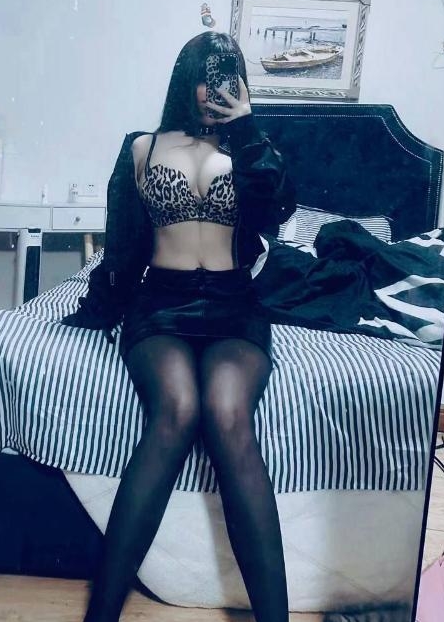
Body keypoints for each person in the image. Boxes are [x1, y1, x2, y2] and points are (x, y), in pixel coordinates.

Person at [63, 31, 296, 622]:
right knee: (177, 409)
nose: (215, 89)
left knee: (227, 412)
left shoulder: (255, 149)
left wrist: (249, 131)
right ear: (185, 78)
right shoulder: (141, 147)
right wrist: (103, 302)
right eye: (206, 76)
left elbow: (279, 213)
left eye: (227, 76)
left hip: (234, 305)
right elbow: (122, 239)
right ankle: (101, 614)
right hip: (161, 304)